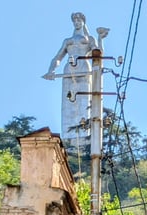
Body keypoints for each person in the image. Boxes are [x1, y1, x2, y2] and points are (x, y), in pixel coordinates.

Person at [43, 13, 104, 142]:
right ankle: (68, 135)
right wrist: (51, 70)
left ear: (83, 22)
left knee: (84, 99)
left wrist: (100, 38)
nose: (76, 22)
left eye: (79, 20)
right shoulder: (67, 41)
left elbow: (98, 53)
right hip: (69, 70)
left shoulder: (89, 39)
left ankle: (84, 133)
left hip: (83, 68)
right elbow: (58, 57)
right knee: (69, 100)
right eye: (74, 20)